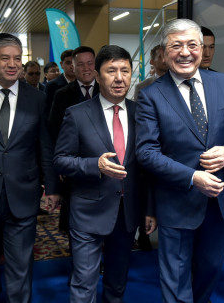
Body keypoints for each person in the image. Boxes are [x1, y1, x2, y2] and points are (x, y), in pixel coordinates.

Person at [135, 18, 224, 303]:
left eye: (192, 45)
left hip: (220, 201)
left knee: (210, 268)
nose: (185, 52)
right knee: (175, 277)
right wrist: (192, 177)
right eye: (176, 46)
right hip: (176, 201)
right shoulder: (151, 95)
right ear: (164, 52)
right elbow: (146, 151)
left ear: (202, 49)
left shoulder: (223, 82)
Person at [54, 45, 156, 303]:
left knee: (117, 282)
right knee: (84, 282)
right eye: (111, 71)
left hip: (127, 212)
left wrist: (149, 208)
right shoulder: (77, 114)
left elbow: (148, 168)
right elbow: (61, 161)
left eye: (125, 70)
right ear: (97, 76)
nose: (119, 78)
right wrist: (94, 165)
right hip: (87, 212)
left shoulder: (141, 114)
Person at [0, 33, 61, 303]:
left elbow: (45, 145)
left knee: (21, 265)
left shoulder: (37, 98)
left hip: (23, 194)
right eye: (5, 58)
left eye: (17, 58)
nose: (12, 64)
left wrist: (52, 187)